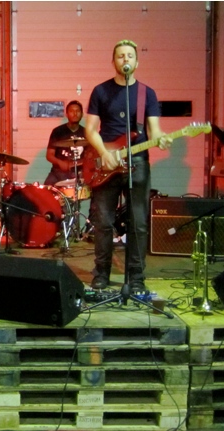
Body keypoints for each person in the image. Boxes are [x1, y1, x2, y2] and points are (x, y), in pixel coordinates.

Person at [84, 40, 172, 290]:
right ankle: (101, 273)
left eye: (130, 56)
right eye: (121, 56)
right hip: (107, 163)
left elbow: (154, 131)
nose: (125, 59)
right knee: (103, 222)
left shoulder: (147, 94)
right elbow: (90, 129)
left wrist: (162, 139)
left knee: (138, 223)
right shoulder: (100, 91)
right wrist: (104, 152)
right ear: (113, 61)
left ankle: (136, 278)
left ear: (137, 62)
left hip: (138, 162)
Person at [44, 100, 86, 186]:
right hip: (58, 172)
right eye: (72, 111)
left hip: (80, 172)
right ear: (67, 114)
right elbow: (49, 155)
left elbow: (91, 156)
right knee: (46, 188)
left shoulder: (87, 133)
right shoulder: (57, 131)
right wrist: (60, 163)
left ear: (82, 114)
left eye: (77, 111)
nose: (75, 114)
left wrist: (77, 164)